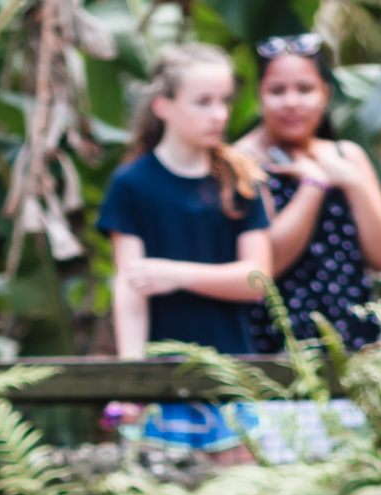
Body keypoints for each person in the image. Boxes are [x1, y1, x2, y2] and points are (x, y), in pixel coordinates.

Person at [99, 43, 271, 457]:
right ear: (163, 105)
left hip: (233, 379)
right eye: (203, 102)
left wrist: (176, 274)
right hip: (160, 386)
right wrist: (132, 382)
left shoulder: (241, 180)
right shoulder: (131, 185)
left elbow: (257, 279)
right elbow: (131, 288)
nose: (219, 114)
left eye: (225, 101)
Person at [233, 34, 381, 354]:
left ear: (327, 94)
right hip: (272, 345)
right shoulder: (242, 162)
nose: (292, 102)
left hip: (351, 339)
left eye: (305, 89)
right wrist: (313, 187)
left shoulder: (346, 156)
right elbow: (263, 269)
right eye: (277, 91)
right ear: (259, 97)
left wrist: (352, 181)